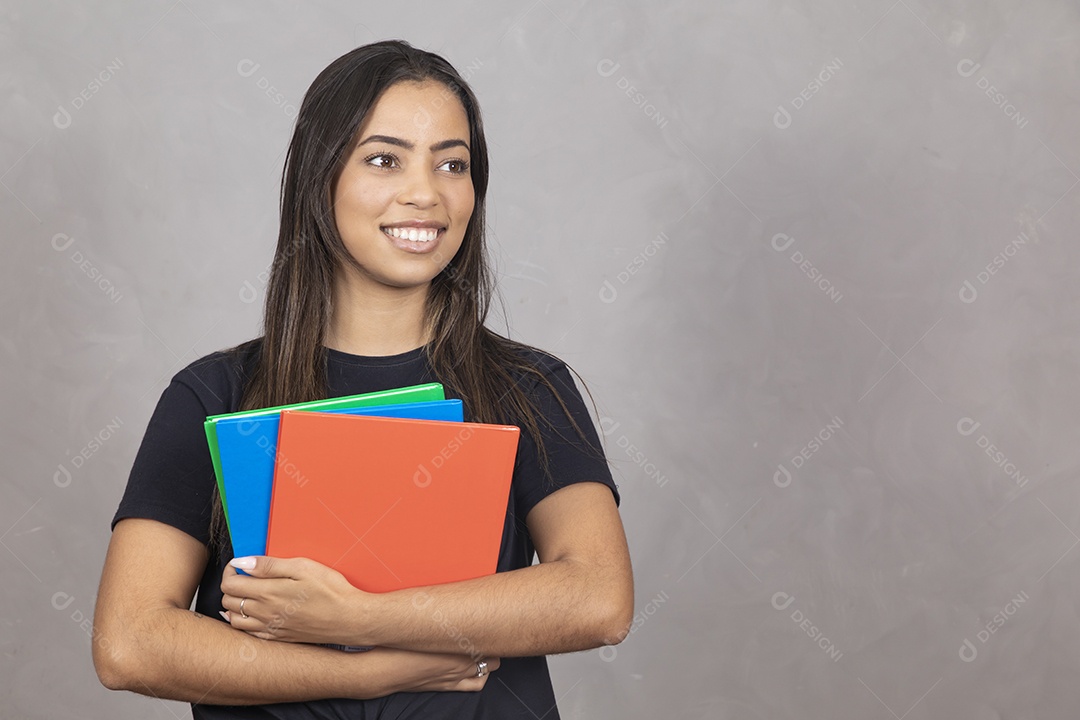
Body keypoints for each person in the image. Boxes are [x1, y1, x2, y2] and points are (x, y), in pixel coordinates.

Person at [92, 39, 634, 719]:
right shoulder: (215, 394)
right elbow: (130, 642)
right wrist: (364, 673)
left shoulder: (529, 387)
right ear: (320, 181)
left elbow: (598, 598)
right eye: (384, 160)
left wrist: (360, 618)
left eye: (452, 164)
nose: (425, 194)